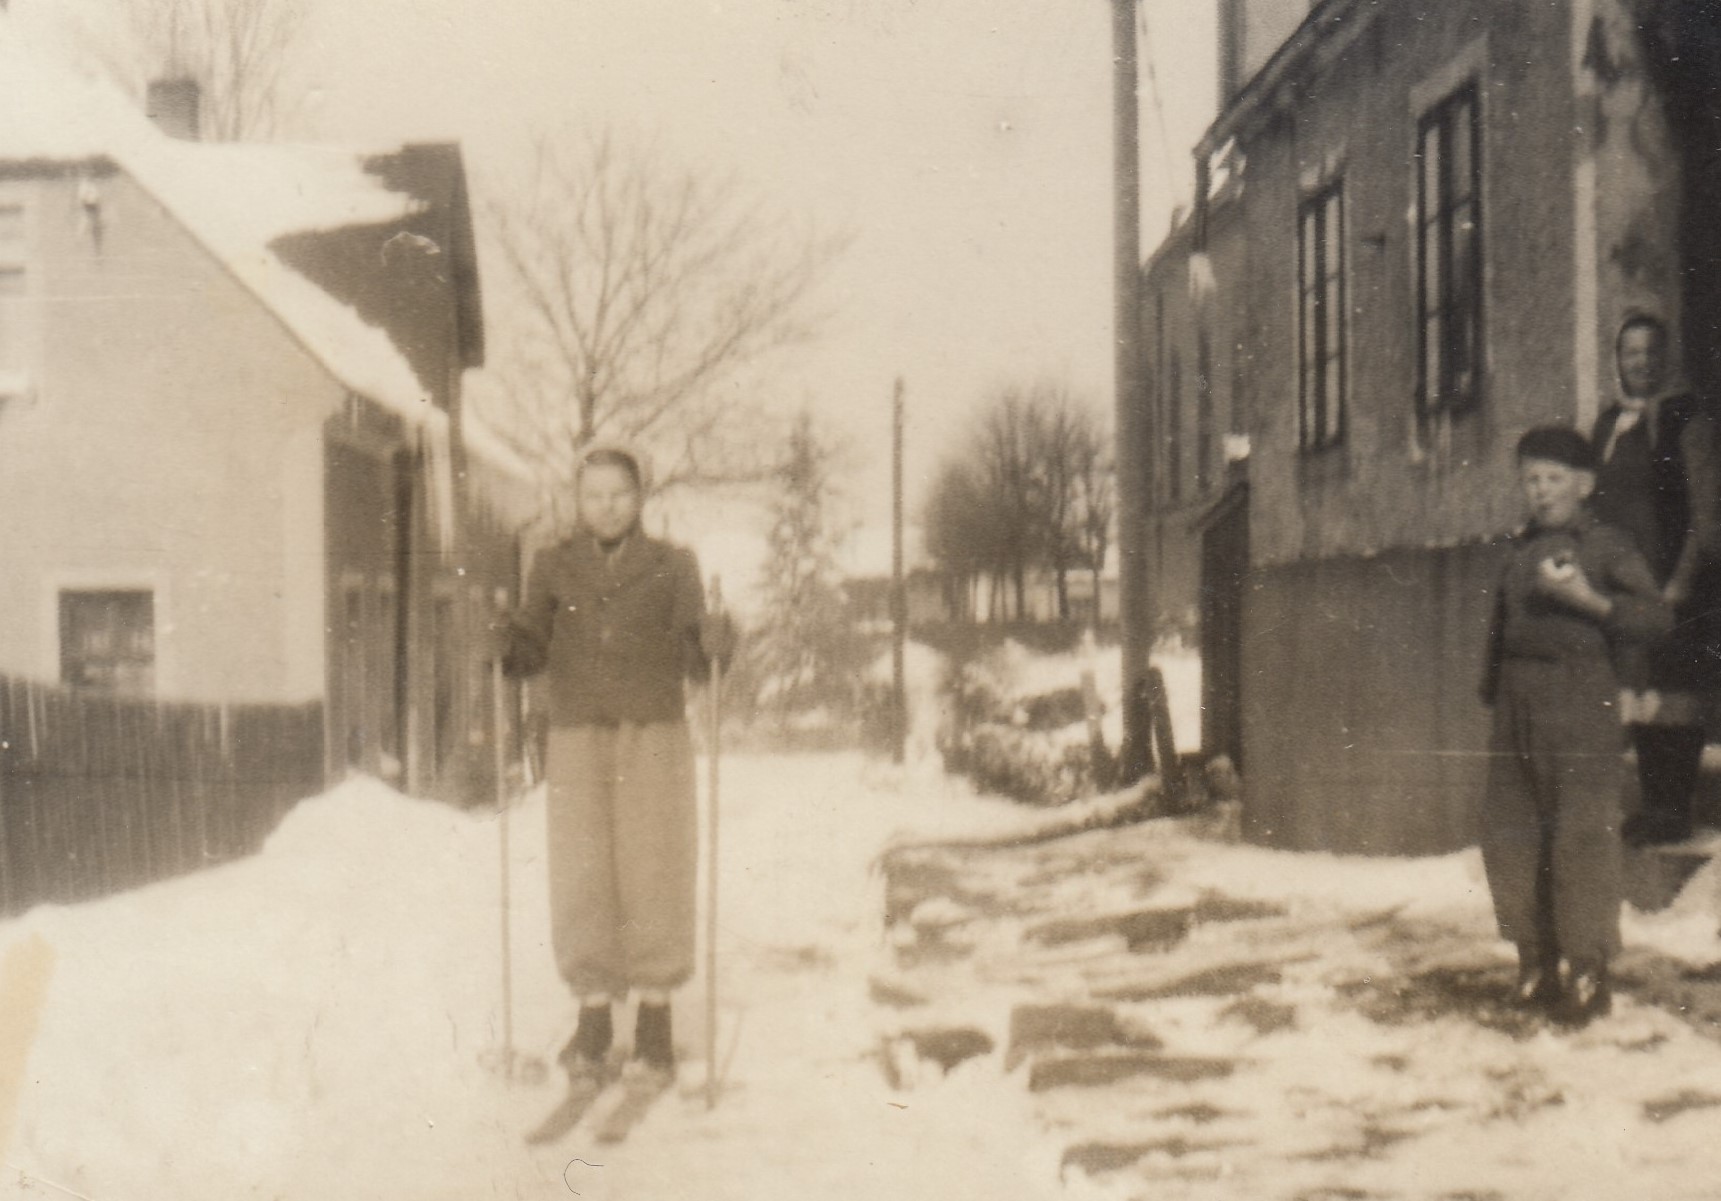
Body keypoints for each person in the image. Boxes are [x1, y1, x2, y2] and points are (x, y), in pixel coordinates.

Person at [500, 444, 734, 1105]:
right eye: (593, 495)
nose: (606, 507)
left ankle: (655, 1024)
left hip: (651, 732)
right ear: (578, 500)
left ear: (640, 498)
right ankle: (594, 1018)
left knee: (654, 867)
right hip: (576, 734)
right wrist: (506, 642)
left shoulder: (673, 565)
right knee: (582, 872)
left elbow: (696, 658)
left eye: (619, 494)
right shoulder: (552, 564)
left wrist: (716, 638)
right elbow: (530, 645)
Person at [1479, 426, 1671, 1026]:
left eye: (1554, 478)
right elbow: (1501, 627)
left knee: (1581, 837)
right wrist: (1494, 691)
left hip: (1582, 699)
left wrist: (1590, 601)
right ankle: (1535, 961)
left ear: (1585, 485)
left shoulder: (1607, 545)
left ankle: (1588, 970)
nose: (1540, 491)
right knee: (1512, 835)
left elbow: (1657, 620)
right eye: (1531, 479)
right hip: (1517, 704)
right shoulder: (1520, 547)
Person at [1590, 312, 1721, 846]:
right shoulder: (1607, 426)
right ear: (1618, 361)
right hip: (1626, 584)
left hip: (1673, 581)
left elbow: (1705, 514)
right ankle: (1653, 807)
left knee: (1675, 691)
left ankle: (1673, 809)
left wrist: (1679, 584)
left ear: (1666, 359)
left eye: (1651, 351)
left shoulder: (1689, 420)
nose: (1641, 362)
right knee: (1639, 691)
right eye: (1631, 352)